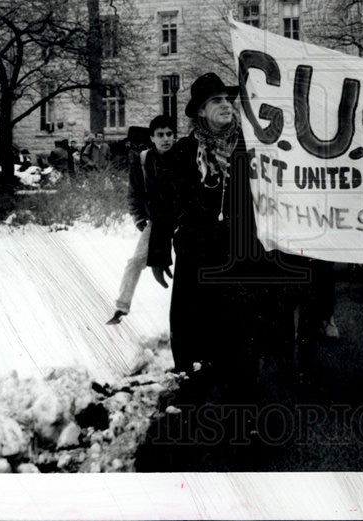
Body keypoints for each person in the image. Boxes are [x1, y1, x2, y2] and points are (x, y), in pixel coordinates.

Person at [148, 72, 273, 406]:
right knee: (195, 333)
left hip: (242, 256)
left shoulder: (251, 147)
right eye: (216, 100)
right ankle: (196, 400)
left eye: (227, 100)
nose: (226, 105)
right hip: (198, 258)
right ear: (200, 111)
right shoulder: (183, 153)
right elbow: (162, 207)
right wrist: (159, 255)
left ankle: (242, 411)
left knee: (243, 333)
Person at [106, 116, 174, 325]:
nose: (165, 139)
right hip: (156, 222)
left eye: (169, 134)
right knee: (135, 262)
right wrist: (138, 218)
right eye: (160, 135)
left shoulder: (184, 156)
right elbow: (134, 192)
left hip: (184, 221)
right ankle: (121, 307)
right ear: (152, 138)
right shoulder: (144, 160)